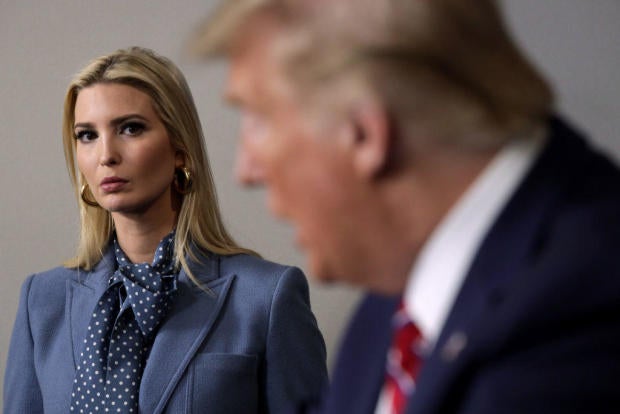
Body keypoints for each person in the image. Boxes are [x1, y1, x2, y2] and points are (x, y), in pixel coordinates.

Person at [191, 0, 620, 413]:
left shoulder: (581, 320)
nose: (245, 170)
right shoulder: (403, 295)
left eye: (259, 120)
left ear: (362, 133)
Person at [4, 46, 327, 414]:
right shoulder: (42, 302)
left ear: (180, 149)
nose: (106, 154)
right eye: (87, 135)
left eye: (130, 128)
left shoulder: (266, 298)